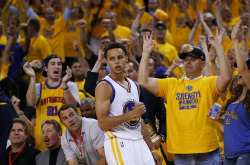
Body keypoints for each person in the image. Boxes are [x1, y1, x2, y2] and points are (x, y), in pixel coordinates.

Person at [138, 29, 232, 164]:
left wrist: (219, 47)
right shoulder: (171, 84)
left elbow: (227, 77)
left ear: (203, 64)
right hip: (181, 151)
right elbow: (143, 81)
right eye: (186, 59)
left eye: (193, 59)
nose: (188, 62)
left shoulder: (209, 82)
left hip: (208, 149)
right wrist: (146, 52)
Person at [95, 42, 162, 164]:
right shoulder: (104, 86)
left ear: (126, 58)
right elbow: (103, 123)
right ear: (107, 62)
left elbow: (138, 120)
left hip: (139, 140)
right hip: (118, 141)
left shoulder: (135, 85)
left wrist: (152, 149)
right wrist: (132, 114)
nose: (117, 62)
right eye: (112, 59)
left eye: (120, 57)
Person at [211, 20, 250, 165]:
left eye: (244, 69)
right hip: (229, 154)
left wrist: (234, 41)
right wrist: (216, 119)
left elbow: (243, 69)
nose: (239, 72)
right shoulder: (234, 98)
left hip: (246, 153)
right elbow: (228, 127)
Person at [24, 54, 80, 151]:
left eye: (59, 64)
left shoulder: (70, 85)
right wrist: (32, 77)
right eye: (53, 64)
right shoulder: (38, 87)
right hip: (43, 140)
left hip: (65, 138)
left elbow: (73, 106)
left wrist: (64, 84)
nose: (57, 66)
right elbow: (31, 102)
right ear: (45, 68)